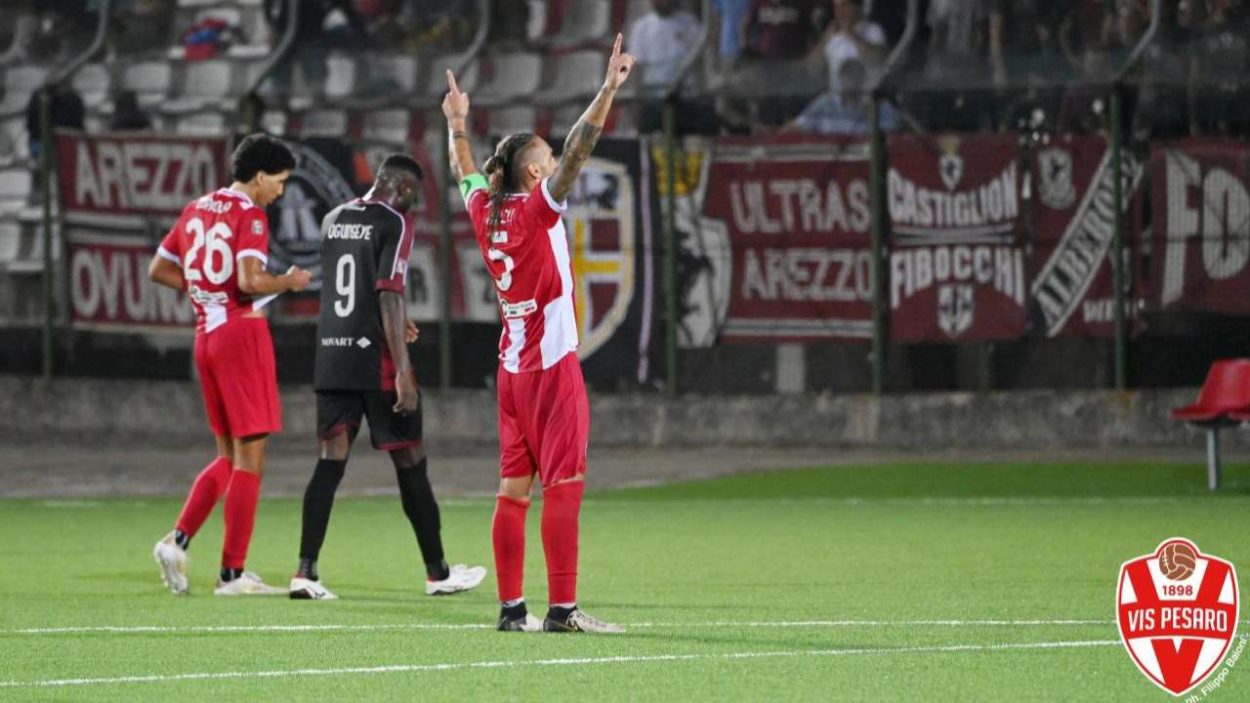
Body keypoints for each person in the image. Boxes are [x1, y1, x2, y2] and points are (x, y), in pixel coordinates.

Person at [442, 34, 635, 634]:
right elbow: (580, 150)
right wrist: (608, 89)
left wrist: (456, 124)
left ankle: (510, 609)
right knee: (566, 484)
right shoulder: (533, 208)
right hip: (552, 366)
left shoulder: (485, 211)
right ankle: (562, 610)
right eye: (546, 161)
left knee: (512, 492)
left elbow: (465, 171)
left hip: (511, 369)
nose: (557, 166)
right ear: (533, 173)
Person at [289, 154, 487, 600]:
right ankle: (438, 572)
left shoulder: (334, 218)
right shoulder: (394, 222)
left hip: (332, 357)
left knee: (329, 460)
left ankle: (305, 571)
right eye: (414, 195)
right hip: (374, 362)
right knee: (410, 460)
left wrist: (398, 322)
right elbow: (388, 292)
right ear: (400, 189)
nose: (414, 204)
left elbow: (352, 290)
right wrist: (402, 369)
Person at [149, 134, 312, 596]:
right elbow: (248, 279)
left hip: (205, 337)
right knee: (251, 460)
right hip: (240, 335)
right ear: (259, 176)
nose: (279, 192)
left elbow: (158, 270)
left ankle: (176, 542)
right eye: (278, 182)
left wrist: (203, 291)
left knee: (227, 455)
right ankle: (232, 574)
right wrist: (290, 281)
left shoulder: (197, 207)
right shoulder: (250, 215)